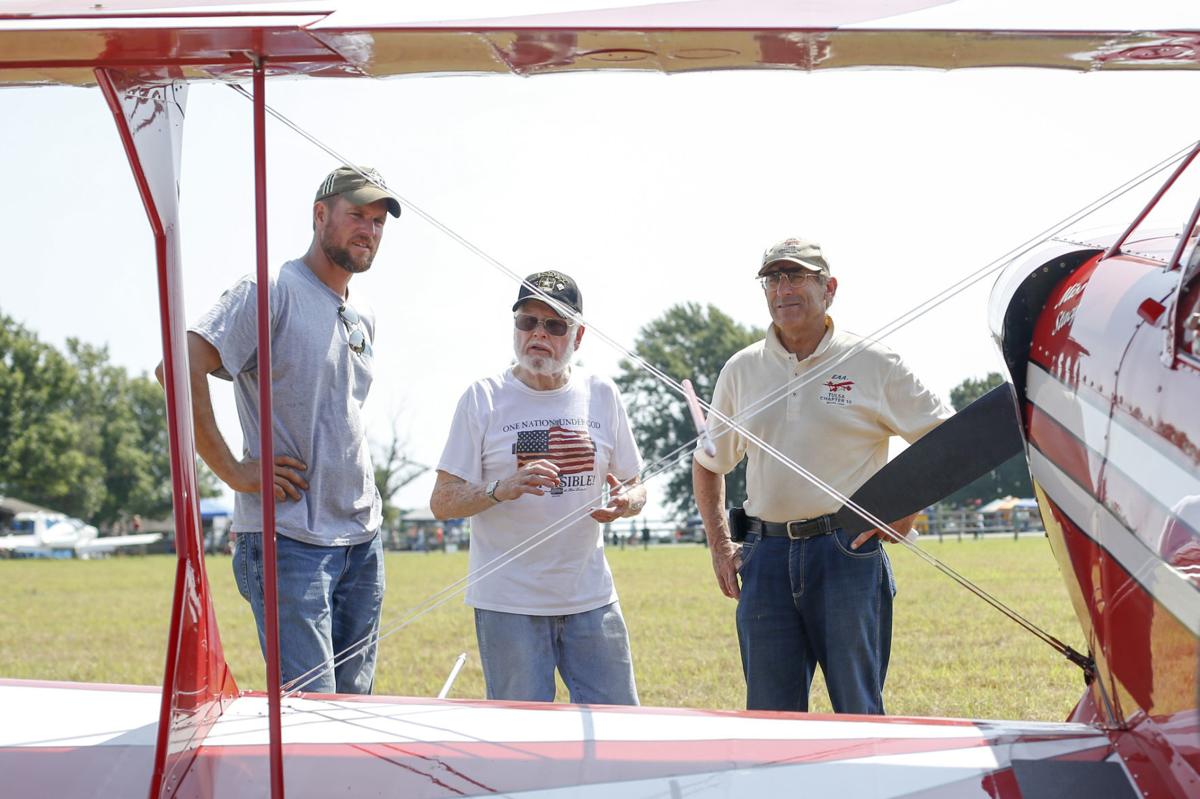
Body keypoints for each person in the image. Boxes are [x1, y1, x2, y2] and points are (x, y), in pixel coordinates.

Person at [159, 165, 401, 694]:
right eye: (357, 215)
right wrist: (233, 472)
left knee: (353, 709)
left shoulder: (364, 312)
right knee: (310, 711)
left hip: (362, 537)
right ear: (320, 215)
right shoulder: (270, 288)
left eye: (379, 221)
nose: (370, 230)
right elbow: (178, 364)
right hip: (288, 540)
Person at [692, 237, 951, 715]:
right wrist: (720, 545)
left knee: (858, 709)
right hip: (764, 557)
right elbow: (709, 464)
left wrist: (906, 512)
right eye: (773, 279)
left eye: (797, 277)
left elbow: (944, 439)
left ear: (828, 288)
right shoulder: (742, 368)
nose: (783, 289)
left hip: (846, 554)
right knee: (769, 716)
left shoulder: (875, 361)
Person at [430, 270, 647, 705]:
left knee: (618, 729)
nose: (538, 335)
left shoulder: (602, 393)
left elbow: (635, 484)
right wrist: (500, 488)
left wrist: (627, 501)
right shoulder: (483, 398)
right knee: (521, 741)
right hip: (509, 606)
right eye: (527, 322)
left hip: (591, 599)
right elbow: (442, 501)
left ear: (579, 335)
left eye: (555, 325)